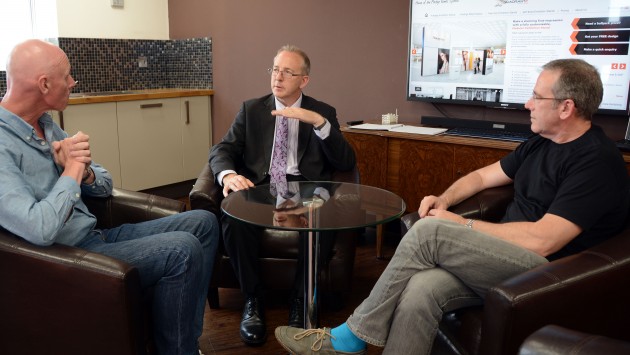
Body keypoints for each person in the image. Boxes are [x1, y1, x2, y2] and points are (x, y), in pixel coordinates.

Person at [274, 59, 629, 354]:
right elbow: (481, 178)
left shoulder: (596, 162)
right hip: (504, 256)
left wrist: (460, 225)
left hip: (546, 272)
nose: (527, 104)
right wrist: (445, 199)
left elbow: (542, 241)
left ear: (567, 107)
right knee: (420, 291)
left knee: (429, 232)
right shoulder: (541, 142)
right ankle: (353, 340)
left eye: (537, 97)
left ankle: (350, 337)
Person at [0, 39, 220, 355]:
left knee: (204, 222)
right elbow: (39, 229)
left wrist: (86, 173)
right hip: (68, 257)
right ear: (45, 84)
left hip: (96, 237)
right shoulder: (3, 146)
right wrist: (72, 171)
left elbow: (104, 184)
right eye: (68, 75)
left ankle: (183, 342)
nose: (73, 83)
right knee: (181, 249)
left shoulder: (47, 125)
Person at [208, 44, 356, 345]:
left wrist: (319, 123)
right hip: (260, 188)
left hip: (304, 189)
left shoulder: (322, 112)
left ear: (304, 80)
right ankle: (253, 300)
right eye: (275, 69)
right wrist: (229, 174)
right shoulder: (251, 109)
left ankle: (300, 302)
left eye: (288, 72)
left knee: (317, 217)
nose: (278, 77)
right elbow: (223, 149)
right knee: (233, 217)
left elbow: (345, 163)